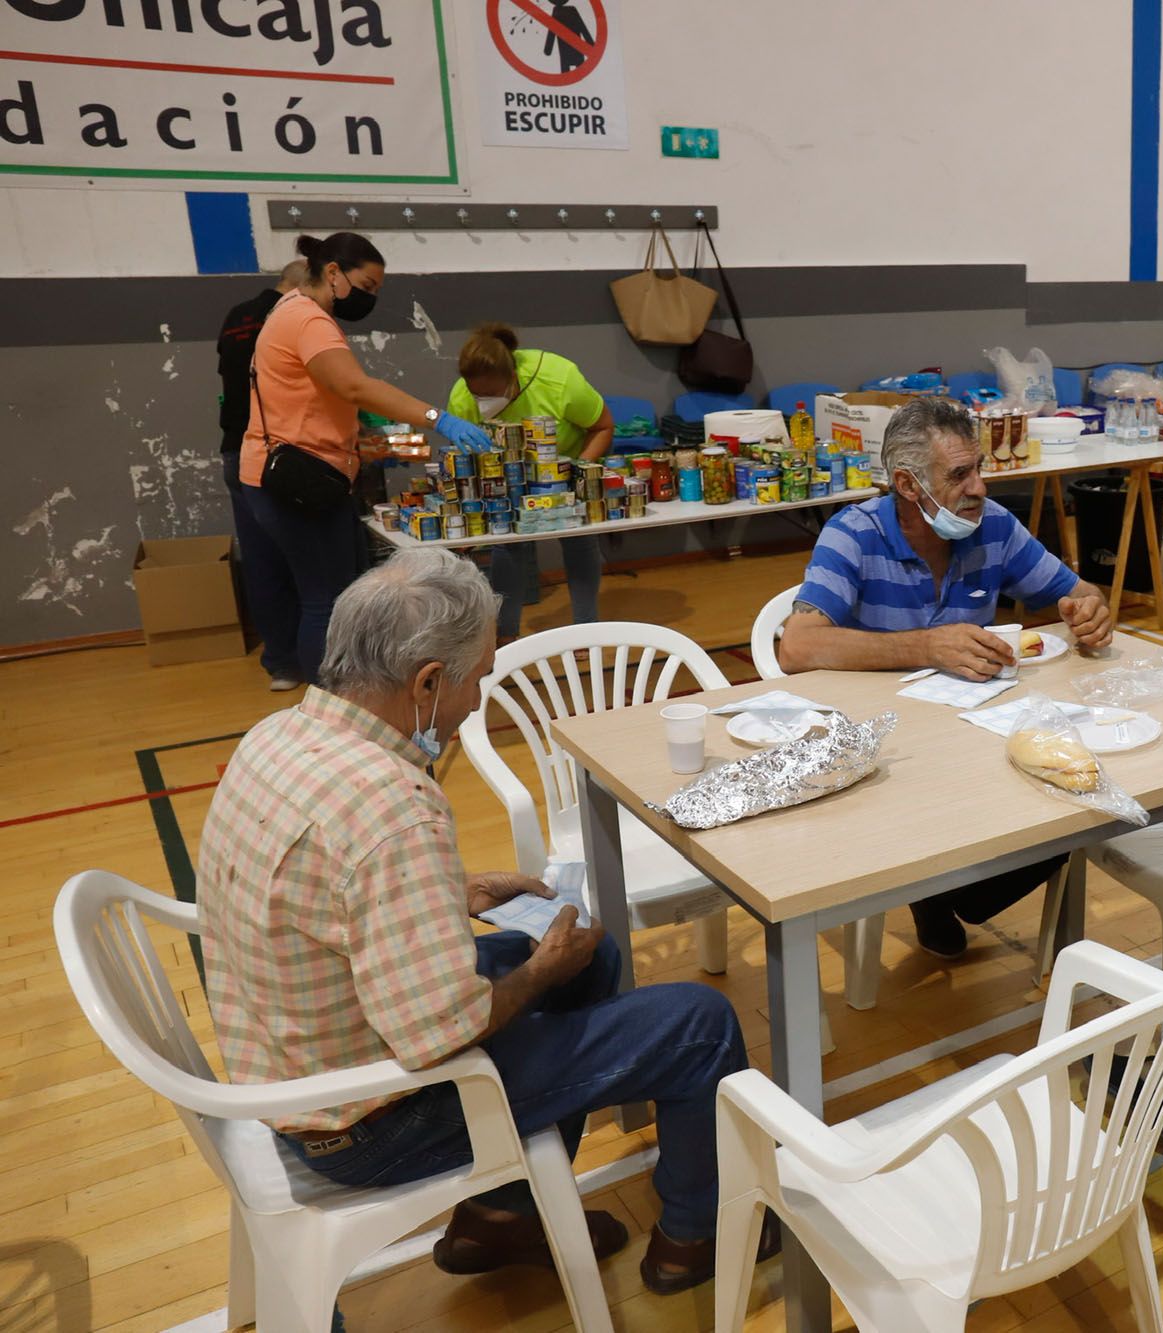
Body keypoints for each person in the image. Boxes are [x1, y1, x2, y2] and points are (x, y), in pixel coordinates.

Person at [197, 549, 775, 1295]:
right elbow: (441, 1031)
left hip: (292, 1064)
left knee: (589, 959)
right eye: (476, 680)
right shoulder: (391, 805)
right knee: (697, 1022)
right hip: (371, 1125)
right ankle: (699, 1237)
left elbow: (323, 894)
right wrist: (541, 971)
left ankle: (502, 1216)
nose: (477, 704)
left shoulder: (277, 738)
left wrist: (452, 887)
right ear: (429, 681)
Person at [778, 397, 1114, 957]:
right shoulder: (853, 534)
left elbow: (1077, 592)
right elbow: (797, 645)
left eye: (979, 468)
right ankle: (937, 885)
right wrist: (928, 646)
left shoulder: (994, 528)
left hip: (968, 737)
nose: (979, 487)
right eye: (960, 475)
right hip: (880, 749)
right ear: (909, 485)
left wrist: (1091, 611)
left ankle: (947, 888)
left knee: (1075, 802)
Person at [237, 232, 489, 683]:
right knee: (326, 601)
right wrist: (438, 417)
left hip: (299, 472)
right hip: (298, 482)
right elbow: (352, 385)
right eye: (367, 287)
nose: (370, 298)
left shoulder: (290, 310)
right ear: (333, 272)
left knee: (334, 592)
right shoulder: (308, 319)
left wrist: (371, 443)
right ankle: (332, 705)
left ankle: (344, 693)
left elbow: (316, 401)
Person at [446, 322, 616, 641]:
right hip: (511, 474)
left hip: (570, 460)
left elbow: (603, 426)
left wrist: (577, 473)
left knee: (579, 540)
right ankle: (505, 635)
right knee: (509, 546)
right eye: (476, 394)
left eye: (492, 395)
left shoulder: (560, 380)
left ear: (514, 380)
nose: (482, 402)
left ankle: (586, 630)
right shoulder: (460, 398)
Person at [216, 258, 308, 690]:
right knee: (311, 562)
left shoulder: (236, 315)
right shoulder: (291, 316)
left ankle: (283, 664)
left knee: (261, 560)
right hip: (281, 456)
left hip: (235, 451)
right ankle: (324, 664)